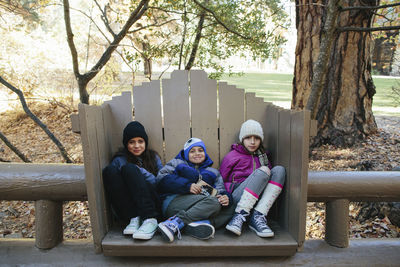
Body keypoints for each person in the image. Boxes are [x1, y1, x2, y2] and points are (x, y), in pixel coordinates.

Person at [156, 138, 231, 242]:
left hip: (201, 207)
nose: (197, 153)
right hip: (175, 202)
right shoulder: (177, 163)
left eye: (200, 150)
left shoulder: (213, 172)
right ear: (186, 154)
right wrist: (186, 186)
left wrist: (225, 197)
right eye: (192, 151)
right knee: (214, 202)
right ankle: (173, 222)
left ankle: (194, 225)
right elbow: (161, 179)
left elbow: (220, 190)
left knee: (231, 206)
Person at [219, 119, 286, 237]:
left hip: (257, 200)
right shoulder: (232, 157)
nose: (253, 142)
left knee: (279, 170)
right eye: (248, 138)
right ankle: (239, 215)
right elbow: (220, 180)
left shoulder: (263, 157)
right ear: (242, 140)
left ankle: (258, 215)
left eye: (257, 138)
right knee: (264, 171)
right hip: (237, 197)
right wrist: (227, 192)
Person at [102, 121, 162, 240]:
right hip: (130, 206)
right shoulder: (119, 160)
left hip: (151, 202)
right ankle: (134, 219)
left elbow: (160, 182)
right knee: (109, 171)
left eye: (140, 141)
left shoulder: (153, 157)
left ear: (145, 142)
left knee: (129, 169)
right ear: (126, 144)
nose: (136, 146)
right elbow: (117, 187)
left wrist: (139, 171)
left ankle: (150, 219)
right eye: (131, 142)